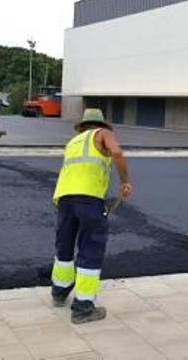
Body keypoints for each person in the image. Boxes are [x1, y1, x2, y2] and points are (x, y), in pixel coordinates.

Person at [50, 108, 132, 324]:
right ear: (100, 125)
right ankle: (83, 307)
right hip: (88, 199)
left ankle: (59, 291)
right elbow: (117, 153)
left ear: (82, 126)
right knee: (91, 248)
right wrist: (124, 181)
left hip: (64, 198)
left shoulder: (73, 142)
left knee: (64, 244)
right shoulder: (103, 134)